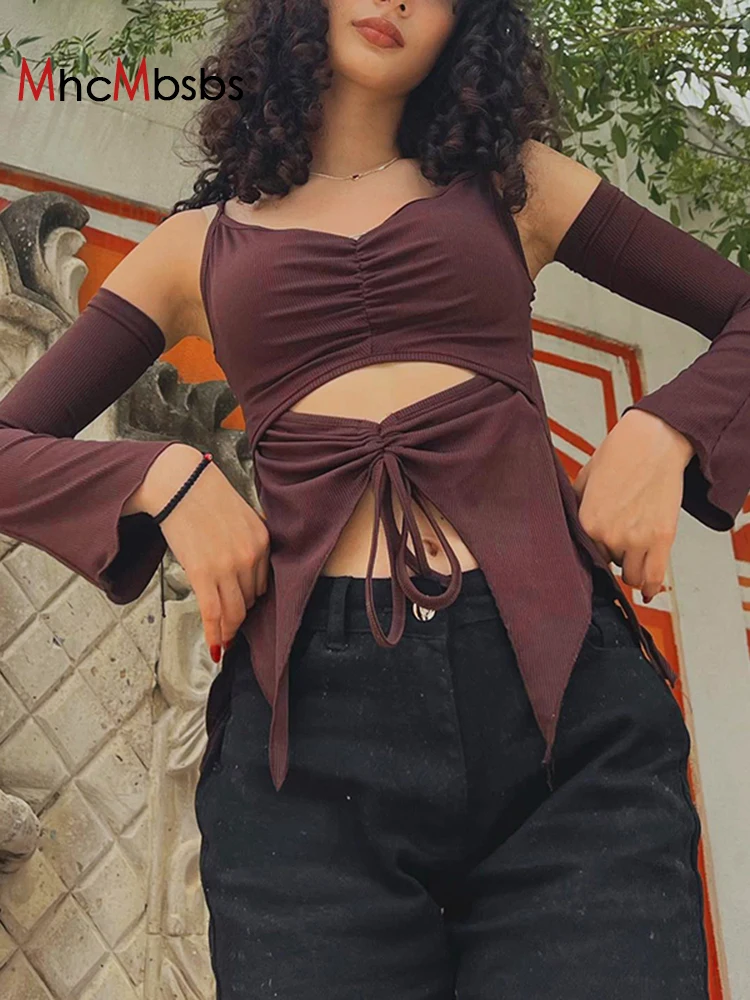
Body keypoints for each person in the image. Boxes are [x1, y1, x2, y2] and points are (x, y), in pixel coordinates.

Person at [2, 0, 749, 996]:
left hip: (565, 711)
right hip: (308, 750)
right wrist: (157, 476)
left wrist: (670, 426)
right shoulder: (193, 248)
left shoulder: (513, 184)